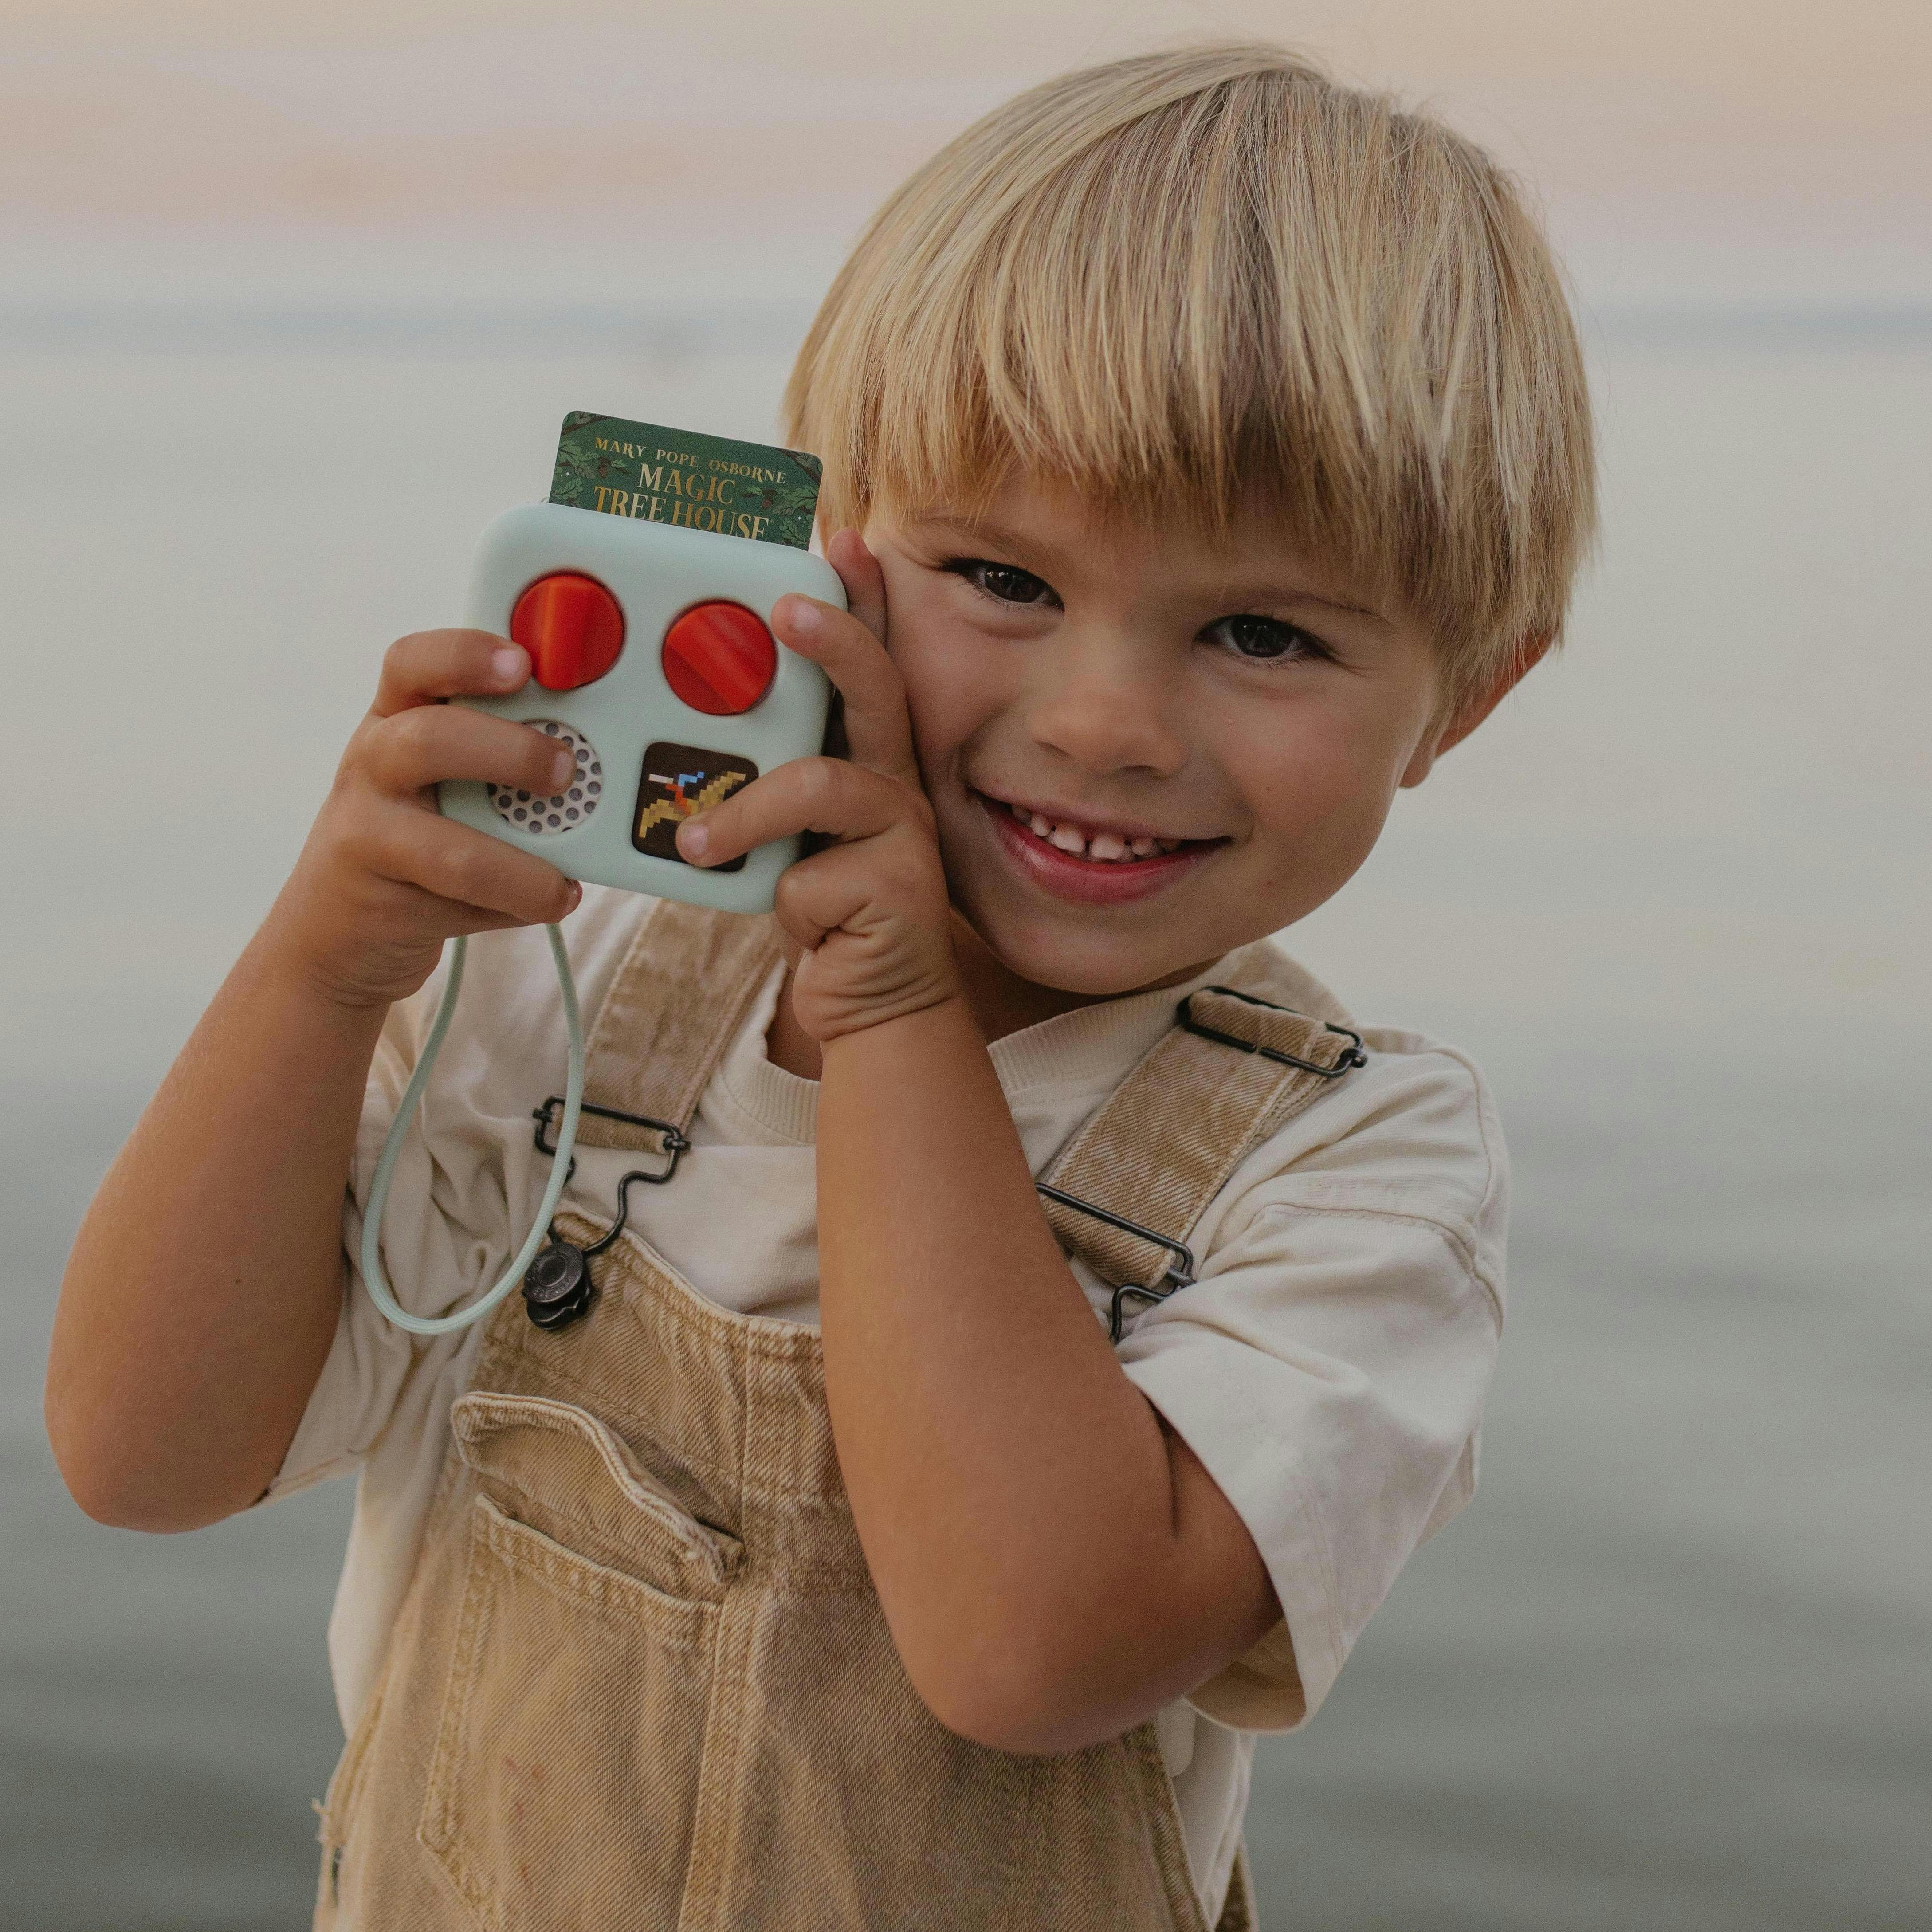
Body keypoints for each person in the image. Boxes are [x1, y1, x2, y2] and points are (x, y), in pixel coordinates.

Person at [47, 41, 1594, 1932]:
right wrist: (318, 965)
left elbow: (1030, 1648)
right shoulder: (579, 982)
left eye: (1262, 631)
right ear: (829, 549)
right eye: (998, 579)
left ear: (1472, 693)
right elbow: (143, 1456)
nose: (1103, 723)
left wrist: (886, 1014)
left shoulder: (1363, 1165)